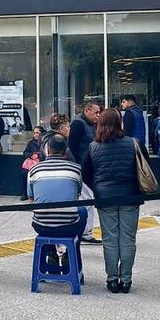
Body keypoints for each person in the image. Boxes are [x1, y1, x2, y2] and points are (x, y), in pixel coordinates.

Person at [81, 109, 144, 294]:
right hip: (130, 196)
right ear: (120, 123)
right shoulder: (133, 143)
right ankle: (126, 280)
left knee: (110, 239)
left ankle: (112, 279)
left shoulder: (93, 147)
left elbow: (86, 174)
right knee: (128, 239)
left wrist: (98, 188)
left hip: (105, 197)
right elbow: (143, 167)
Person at [28, 134, 87, 277]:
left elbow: (31, 201)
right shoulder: (76, 169)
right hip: (69, 226)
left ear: (47, 150)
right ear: (66, 151)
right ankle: (70, 254)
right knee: (82, 211)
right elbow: (76, 196)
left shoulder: (34, 170)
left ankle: (51, 253)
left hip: (41, 225)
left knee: (45, 215)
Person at [68, 101, 102, 245]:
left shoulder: (89, 125)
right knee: (87, 200)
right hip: (81, 169)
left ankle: (85, 231)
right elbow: (71, 146)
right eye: (96, 112)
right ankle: (84, 232)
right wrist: (76, 167)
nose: (98, 116)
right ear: (87, 111)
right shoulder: (78, 124)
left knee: (88, 200)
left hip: (88, 168)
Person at [20, 126, 45, 200]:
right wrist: (31, 155)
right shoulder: (30, 143)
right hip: (31, 164)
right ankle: (25, 194)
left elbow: (46, 154)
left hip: (41, 164)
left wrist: (38, 155)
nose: (36, 135)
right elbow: (25, 153)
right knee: (24, 173)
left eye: (37, 133)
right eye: (34, 133)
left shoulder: (44, 142)